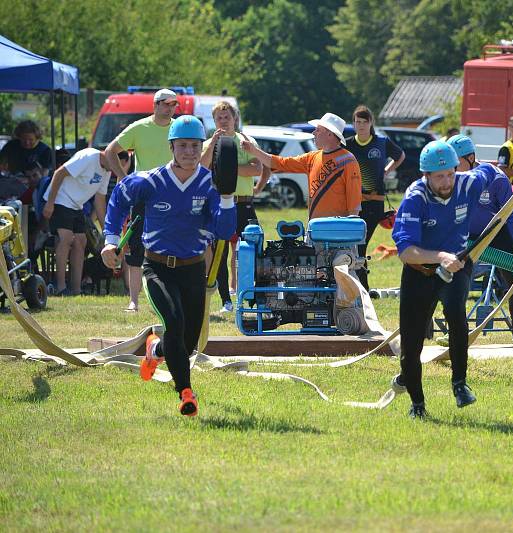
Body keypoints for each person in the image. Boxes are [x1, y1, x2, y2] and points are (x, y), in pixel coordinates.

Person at [101, 116, 236, 417]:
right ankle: (186, 393)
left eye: (195, 145)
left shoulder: (211, 186)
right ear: (172, 146)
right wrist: (111, 240)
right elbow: (118, 199)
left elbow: (225, 231)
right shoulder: (150, 180)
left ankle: (155, 350)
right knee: (173, 322)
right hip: (156, 267)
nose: (189, 151)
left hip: (192, 271)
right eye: (183, 145)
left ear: (204, 148)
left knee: (186, 343)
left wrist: (227, 198)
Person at [390, 141, 508, 418]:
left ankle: (460, 384)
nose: (446, 182)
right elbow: (406, 252)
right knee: (412, 342)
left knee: (456, 316)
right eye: (439, 176)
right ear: (426, 176)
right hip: (420, 271)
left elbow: (491, 173)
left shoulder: (468, 183)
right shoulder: (414, 198)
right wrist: (441, 256)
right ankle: (417, 404)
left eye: (450, 174)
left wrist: (508, 187)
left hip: (457, 267)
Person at [449, 134, 513, 347]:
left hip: (495, 232)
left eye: (456, 163)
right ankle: (456, 332)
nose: (452, 169)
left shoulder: (496, 178)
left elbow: (512, 214)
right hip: (466, 236)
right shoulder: (449, 180)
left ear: (471, 157)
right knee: (455, 280)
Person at [104, 88, 180, 312]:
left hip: (174, 195)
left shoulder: (178, 128)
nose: (169, 108)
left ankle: (171, 298)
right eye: (165, 104)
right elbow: (110, 151)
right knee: (136, 247)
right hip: (144, 196)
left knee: (173, 248)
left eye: (173, 104)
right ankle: (133, 301)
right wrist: (123, 178)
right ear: (155, 105)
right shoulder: (139, 128)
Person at [200, 101, 264, 313]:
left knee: (252, 251)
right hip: (219, 204)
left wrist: (228, 166)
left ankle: (253, 295)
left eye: (227, 117)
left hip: (243, 203)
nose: (223, 121)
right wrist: (213, 146)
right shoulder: (209, 142)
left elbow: (256, 169)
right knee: (219, 252)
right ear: (214, 120)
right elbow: (201, 167)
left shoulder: (246, 141)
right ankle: (226, 300)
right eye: (219, 118)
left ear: (235, 119)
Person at [242, 113, 362, 219]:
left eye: (318, 130)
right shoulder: (312, 157)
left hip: (338, 231)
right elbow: (280, 163)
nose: (314, 133)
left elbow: (354, 199)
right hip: (314, 228)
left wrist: (350, 231)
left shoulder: (348, 161)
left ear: (330, 134)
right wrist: (254, 151)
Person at [41, 148, 127, 295]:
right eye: (119, 165)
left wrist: (109, 231)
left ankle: (76, 289)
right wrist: (50, 202)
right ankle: (60, 288)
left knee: (81, 241)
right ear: (111, 156)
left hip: (76, 206)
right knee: (66, 239)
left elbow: (100, 202)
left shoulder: (106, 171)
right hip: (60, 199)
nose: (118, 169)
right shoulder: (88, 157)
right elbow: (59, 173)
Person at [345, 105, 405, 289]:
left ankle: (363, 288)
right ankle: (355, 284)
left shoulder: (382, 142)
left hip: (374, 204)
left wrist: (386, 171)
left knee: (360, 245)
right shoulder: (347, 144)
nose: (361, 125)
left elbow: (400, 155)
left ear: (371, 123)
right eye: (358, 121)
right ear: (353, 123)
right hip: (352, 203)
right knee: (351, 246)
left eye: (365, 121)